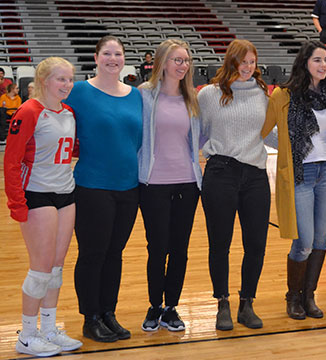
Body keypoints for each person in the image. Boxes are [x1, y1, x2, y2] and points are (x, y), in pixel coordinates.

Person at [65, 35, 142, 342]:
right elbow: (48, 111)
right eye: (107, 53)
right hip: (92, 186)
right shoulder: (80, 91)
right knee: (92, 253)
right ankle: (90, 317)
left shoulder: (136, 95)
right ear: (96, 58)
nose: (113, 59)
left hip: (129, 187)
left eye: (118, 54)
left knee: (115, 254)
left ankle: (109, 312)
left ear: (124, 59)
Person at [4, 57, 83, 357]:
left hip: (66, 194)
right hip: (37, 195)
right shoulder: (28, 111)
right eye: (60, 79)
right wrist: (16, 204)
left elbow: (71, 150)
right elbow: (11, 162)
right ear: (44, 80)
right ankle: (26, 335)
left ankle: (48, 329)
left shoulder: (69, 112)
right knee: (39, 270)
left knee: (56, 269)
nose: (66, 84)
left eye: (70, 79)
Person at [262, 40, 326, 320]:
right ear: (304, 63)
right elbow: (264, 130)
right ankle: (293, 296)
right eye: (317, 60)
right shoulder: (283, 96)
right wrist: (286, 146)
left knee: (321, 239)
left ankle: (309, 296)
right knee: (304, 242)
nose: (323, 65)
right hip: (302, 174)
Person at [198, 39, 270, 330]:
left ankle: (247, 303)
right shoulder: (209, 95)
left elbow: (268, 133)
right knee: (220, 244)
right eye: (243, 62)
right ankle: (222, 303)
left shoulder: (264, 93)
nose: (248, 68)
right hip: (220, 172)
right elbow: (198, 134)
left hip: (255, 174)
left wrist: (302, 141)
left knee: (256, 244)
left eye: (252, 62)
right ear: (231, 62)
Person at [137, 39, 201, 332]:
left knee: (180, 249)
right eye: (177, 60)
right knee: (157, 247)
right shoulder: (144, 96)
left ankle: (172, 307)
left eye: (186, 60)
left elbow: (201, 138)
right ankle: (154, 305)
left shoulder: (192, 98)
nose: (182, 65)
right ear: (162, 63)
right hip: (154, 183)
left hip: (187, 183)